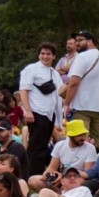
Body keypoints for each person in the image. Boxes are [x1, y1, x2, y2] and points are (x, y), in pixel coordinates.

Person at [17, 43, 64, 176]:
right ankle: (33, 177)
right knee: (36, 147)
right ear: (39, 54)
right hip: (36, 112)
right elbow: (23, 90)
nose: (45, 56)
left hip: (50, 114)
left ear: (54, 56)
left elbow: (59, 96)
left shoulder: (55, 74)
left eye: (48, 54)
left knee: (44, 146)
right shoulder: (31, 69)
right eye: (43, 53)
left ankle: (42, 174)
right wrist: (27, 110)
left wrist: (59, 120)